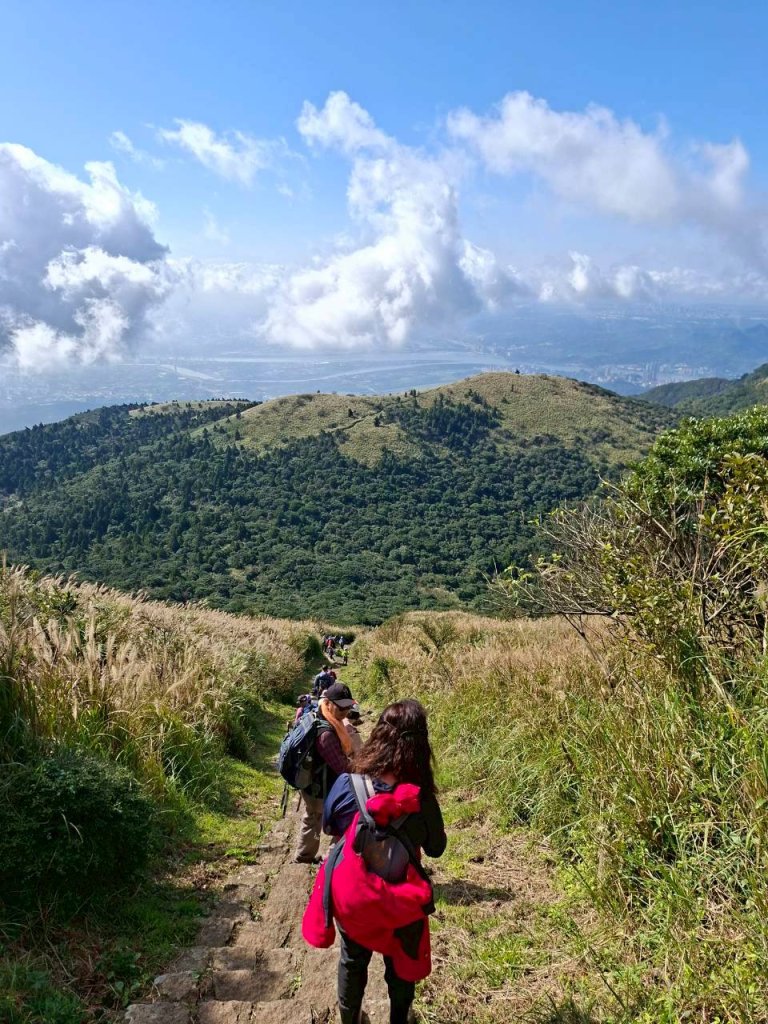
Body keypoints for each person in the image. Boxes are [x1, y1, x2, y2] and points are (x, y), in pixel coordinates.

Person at [322, 700, 446, 1024]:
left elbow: (330, 826)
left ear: (377, 735)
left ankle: (350, 1020)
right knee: (401, 964)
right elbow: (436, 849)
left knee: (352, 960)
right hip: (401, 901)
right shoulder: (421, 799)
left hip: (354, 897)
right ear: (420, 745)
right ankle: (399, 1019)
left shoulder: (348, 783)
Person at [293, 682, 357, 865]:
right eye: (341, 706)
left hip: (313, 784)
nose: (345, 711)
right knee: (339, 820)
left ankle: (305, 856)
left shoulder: (322, 716)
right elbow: (342, 767)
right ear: (328, 703)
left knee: (312, 818)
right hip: (320, 788)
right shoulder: (326, 734)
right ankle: (327, 861)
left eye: (348, 706)